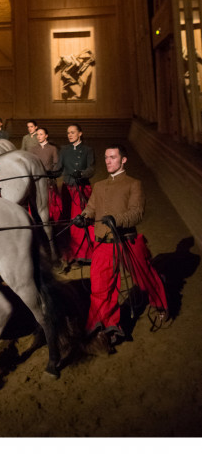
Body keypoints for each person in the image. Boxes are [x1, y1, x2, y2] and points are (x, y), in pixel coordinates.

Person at [74, 144, 168, 351]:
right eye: (106, 157)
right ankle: (105, 329)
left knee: (145, 278)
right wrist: (83, 217)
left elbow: (137, 212)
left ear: (123, 160)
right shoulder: (98, 186)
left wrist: (116, 219)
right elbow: (91, 208)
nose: (108, 161)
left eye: (113, 157)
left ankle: (161, 304)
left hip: (127, 242)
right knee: (100, 288)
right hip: (103, 246)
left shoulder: (134, 184)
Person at [50, 123, 95, 263]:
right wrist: (48, 174)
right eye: (68, 132)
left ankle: (85, 253)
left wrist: (81, 174)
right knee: (67, 219)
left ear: (80, 133)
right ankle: (69, 252)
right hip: (67, 189)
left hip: (81, 189)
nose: (69, 135)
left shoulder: (88, 150)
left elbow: (92, 169)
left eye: (73, 132)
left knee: (81, 220)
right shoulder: (63, 150)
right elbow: (59, 169)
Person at [34, 127, 62, 223]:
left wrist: (52, 173)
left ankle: (51, 220)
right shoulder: (32, 149)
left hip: (49, 180)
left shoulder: (52, 149)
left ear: (46, 136)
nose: (39, 136)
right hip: (36, 181)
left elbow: (56, 164)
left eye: (41, 134)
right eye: (37, 134)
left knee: (50, 203)